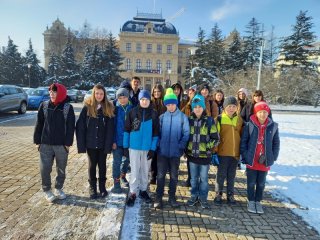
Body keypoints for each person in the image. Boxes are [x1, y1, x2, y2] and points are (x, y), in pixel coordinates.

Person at [34, 83, 75, 203]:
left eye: (54, 91)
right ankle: (47, 189)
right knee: (44, 168)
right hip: (45, 144)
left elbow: (71, 127)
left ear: (61, 93)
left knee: (61, 168)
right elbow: (39, 124)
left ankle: (58, 188)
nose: (51, 93)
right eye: (50, 91)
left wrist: (67, 144)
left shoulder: (68, 108)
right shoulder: (44, 106)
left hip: (61, 145)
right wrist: (37, 141)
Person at [240, 101, 280, 214]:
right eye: (260, 112)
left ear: (268, 113)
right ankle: (251, 201)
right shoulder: (250, 125)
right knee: (251, 182)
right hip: (252, 160)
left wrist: (274, 156)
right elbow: (244, 142)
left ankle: (258, 201)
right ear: (256, 113)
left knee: (261, 183)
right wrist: (245, 155)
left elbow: (276, 143)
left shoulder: (273, 126)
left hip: (265, 161)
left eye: (265, 112)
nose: (263, 114)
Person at [76, 84, 114, 199]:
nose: (99, 95)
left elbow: (110, 129)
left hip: (102, 144)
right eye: (97, 93)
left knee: (102, 165)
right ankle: (93, 188)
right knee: (92, 165)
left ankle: (102, 187)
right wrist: (81, 145)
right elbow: (80, 127)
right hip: (91, 143)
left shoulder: (108, 107)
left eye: (101, 94)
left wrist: (108, 145)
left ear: (104, 95)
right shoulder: (87, 107)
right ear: (94, 94)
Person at [154, 88, 190, 209]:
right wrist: (158, 144)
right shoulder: (162, 117)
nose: (170, 106)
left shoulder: (182, 117)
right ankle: (158, 197)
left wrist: (180, 147)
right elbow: (157, 133)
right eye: (168, 104)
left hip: (175, 153)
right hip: (162, 153)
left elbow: (186, 134)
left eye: (172, 104)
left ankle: (172, 197)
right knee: (160, 176)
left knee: (174, 176)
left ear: (176, 104)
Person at [123, 90, 159, 207]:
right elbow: (127, 130)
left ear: (150, 100)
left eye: (147, 99)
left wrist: (153, 149)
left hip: (147, 148)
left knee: (145, 170)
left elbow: (155, 134)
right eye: (142, 99)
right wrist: (125, 147)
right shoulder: (132, 112)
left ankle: (143, 190)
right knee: (134, 170)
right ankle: (133, 192)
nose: (144, 101)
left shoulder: (154, 114)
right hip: (134, 147)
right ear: (139, 100)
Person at [185, 94, 219, 209]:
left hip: (205, 157)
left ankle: (203, 198)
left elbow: (216, 138)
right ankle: (194, 196)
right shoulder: (188, 120)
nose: (197, 109)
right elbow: (185, 136)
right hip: (192, 156)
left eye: (200, 106)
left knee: (204, 179)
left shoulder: (209, 121)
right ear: (193, 108)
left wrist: (207, 147)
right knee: (193, 179)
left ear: (203, 107)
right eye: (195, 107)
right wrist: (186, 149)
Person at [214, 96, 243, 205]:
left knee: (231, 175)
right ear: (225, 107)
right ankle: (218, 194)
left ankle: (230, 195)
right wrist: (215, 151)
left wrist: (241, 151)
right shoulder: (219, 119)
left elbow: (242, 136)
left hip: (235, 153)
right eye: (229, 106)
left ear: (237, 108)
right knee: (221, 175)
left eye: (234, 106)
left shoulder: (239, 120)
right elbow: (216, 136)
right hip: (223, 153)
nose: (231, 108)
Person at [111, 88, 133, 193]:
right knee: (117, 162)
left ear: (128, 97)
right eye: (120, 98)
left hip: (128, 142)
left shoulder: (132, 109)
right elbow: (112, 126)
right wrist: (113, 141)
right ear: (117, 98)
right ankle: (116, 183)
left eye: (124, 97)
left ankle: (123, 176)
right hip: (117, 141)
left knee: (126, 161)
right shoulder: (115, 109)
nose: (123, 100)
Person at [150, 84, 167, 184]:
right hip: (152, 133)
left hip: (162, 132)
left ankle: (160, 175)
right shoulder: (150, 103)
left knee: (161, 157)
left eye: (158, 92)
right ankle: (153, 175)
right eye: (155, 92)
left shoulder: (164, 104)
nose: (156, 93)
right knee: (153, 156)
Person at [181, 84, 197, 187]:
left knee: (197, 158)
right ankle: (190, 177)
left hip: (199, 133)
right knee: (189, 156)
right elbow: (181, 114)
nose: (191, 95)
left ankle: (195, 178)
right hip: (189, 133)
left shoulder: (199, 104)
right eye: (190, 93)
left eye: (193, 93)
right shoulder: (187, 104)